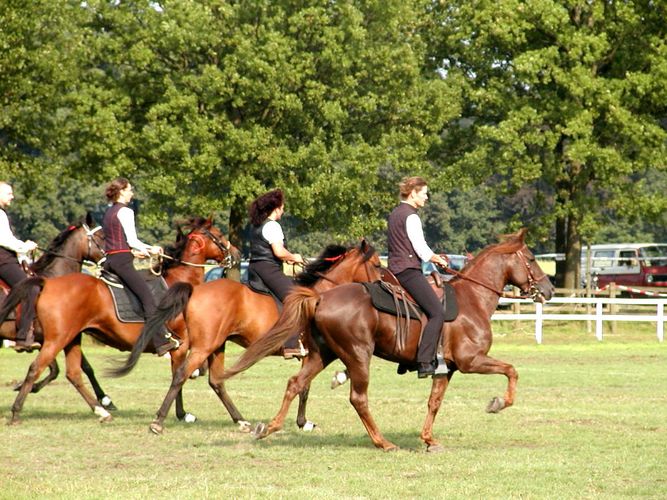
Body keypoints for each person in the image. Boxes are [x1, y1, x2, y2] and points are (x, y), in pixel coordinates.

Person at [102, 177, 178, 357]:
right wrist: (151, 249)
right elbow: (132, 240)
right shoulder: (126, 212)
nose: (132, 193)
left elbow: (115, 243)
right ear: (121, 191)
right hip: (122, 262)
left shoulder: (108, 212)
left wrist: (134, 253)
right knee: (148, 298)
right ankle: (161, 343)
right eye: (129, 189)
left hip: (111, 260)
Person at [387, 176, 449, 378]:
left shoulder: (395, 213)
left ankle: (405, 359)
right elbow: (420, 248)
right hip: (408, 271)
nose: (427, 197)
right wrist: (437, 259)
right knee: (437, 312)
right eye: (424, 193)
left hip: (393, 271)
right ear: (413, 192)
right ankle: (424, 361)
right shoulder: (411, 216)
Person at [247, 189, 306, 359]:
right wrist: (293, 257)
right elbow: (279, 252)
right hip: (268, 268)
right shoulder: (273, 225)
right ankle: (291, 344)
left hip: (255, 267)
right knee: (296, 298)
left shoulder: (258, 224)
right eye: (282, 208)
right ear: (276, 208)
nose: (283, 211)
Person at [0, 182, 40, 351]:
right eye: (9, 193)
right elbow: (4, 240)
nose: (12, 196)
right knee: (31, 288)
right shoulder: (0, 214)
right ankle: (22, 336)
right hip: (3, 260)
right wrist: (26, 246)